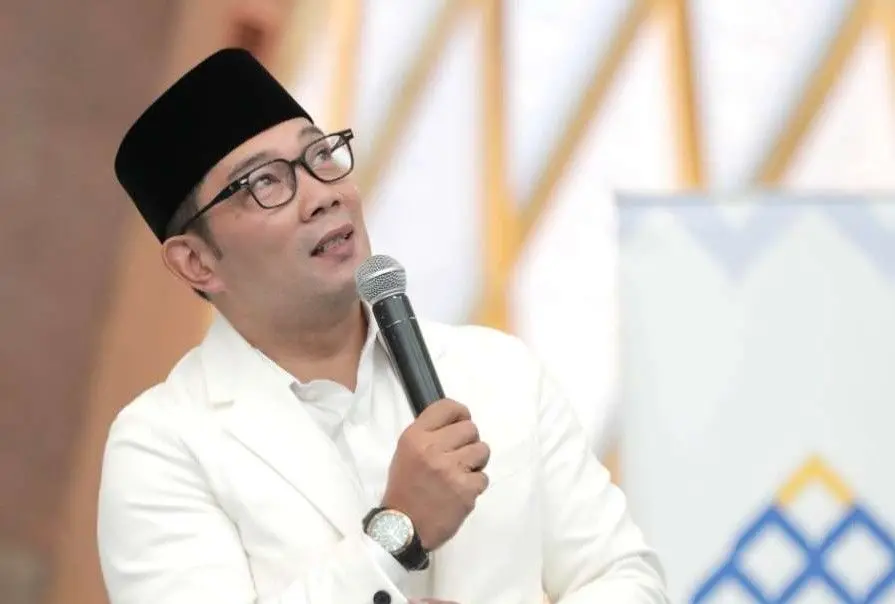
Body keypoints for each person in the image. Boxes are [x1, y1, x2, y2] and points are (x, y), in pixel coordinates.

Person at [98, 47, 668, 604]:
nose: (321, 196)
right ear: (196, 261)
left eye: (320, 156)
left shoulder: (498, 370)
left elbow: (625, 577)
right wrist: (399, 527)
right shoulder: (163, 445)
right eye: (264, 183)